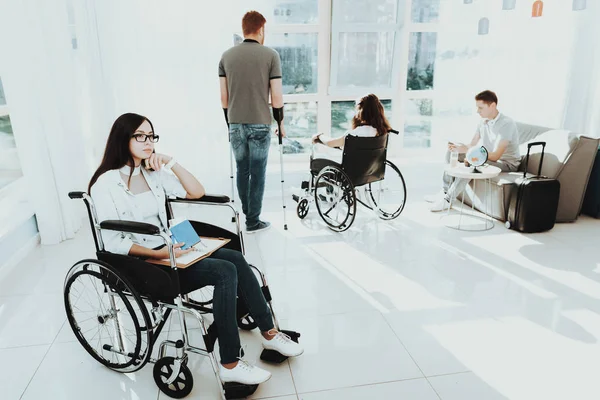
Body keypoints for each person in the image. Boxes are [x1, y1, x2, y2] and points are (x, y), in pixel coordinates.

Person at [89, 113, 303, 386]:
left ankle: (270, 333)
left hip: (171, 247)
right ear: (123, 138)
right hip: (143, 263)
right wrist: (160, 254)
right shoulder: (105, 184)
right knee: (224, 271)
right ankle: (230, 363)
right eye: (140, 136)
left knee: (235, 258)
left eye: (151, 136)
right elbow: (112, 242)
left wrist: (170, 162)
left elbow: (196, 191)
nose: (148, 142)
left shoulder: (152, 174)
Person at [219, 10, 285, 234]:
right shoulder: (271, 55)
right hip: (260, 123)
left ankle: (247, 213)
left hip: (235, 122)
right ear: (261, 29)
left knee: (242, 169)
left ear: (244, 28)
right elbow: (276, 96)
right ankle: (252, 221)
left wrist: (231, 124)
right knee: (257, 173)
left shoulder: (226, 57)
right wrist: (280, 123)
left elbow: (223, 98)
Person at [426, 90, 521, 211]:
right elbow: (471, 145)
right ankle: (444, 191)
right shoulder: (483, 122)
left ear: (492, 105)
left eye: (480, 108)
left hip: (507, 163)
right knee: (453, 153)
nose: (477, 111)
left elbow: (497, 155)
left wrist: (473, 156)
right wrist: (458, 148)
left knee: (473, 161)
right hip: (489, 157)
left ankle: (448, 200)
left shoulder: (506, 124)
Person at [310, 93, 392, 173]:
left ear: (361, 111)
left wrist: (320, 136)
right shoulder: (381, 131)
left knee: (319, 160)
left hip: (352, 172)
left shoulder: (356, 133)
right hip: (372, 170)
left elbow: (331, 143)